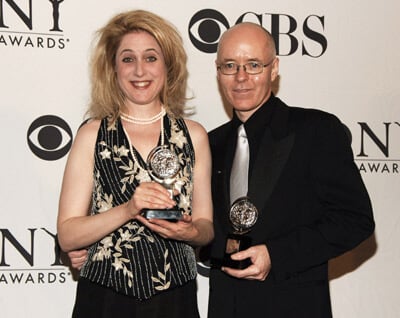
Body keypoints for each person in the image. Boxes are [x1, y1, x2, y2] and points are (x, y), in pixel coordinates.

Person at [207, 22, 375, 318]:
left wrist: (276, 254)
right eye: (229, 65)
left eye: (253, 65)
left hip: (294, 306)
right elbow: (209, 231)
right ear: (218, 71)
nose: (241, 77)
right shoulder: (210, 143)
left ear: (274, 69)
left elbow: (355, 220)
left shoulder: (316, 131)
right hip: (226, 307)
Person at [57, 10, 213, 318]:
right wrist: (128, 209)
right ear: (113, 69)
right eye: (128, 59)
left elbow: (206, 228)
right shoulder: (92, 135)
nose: (140, 70)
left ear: (168, 65)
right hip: (104, 298)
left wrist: (188, 233)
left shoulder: (193, 136)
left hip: (175, 299)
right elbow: (68, 235)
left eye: (151, 58)